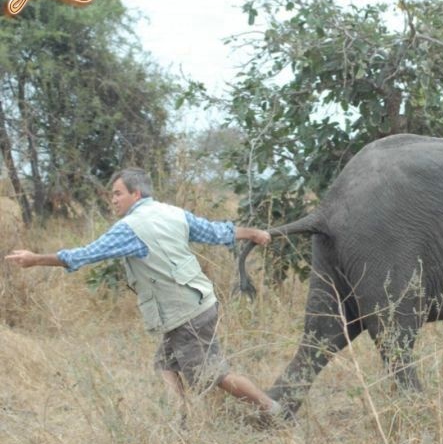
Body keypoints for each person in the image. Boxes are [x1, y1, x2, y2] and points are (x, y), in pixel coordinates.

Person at [4, 167, 281, 426]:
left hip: (185, 313)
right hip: (198, 303)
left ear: (136, 194)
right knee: (165, 362)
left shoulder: (130, 227)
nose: (113, 200)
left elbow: (84, 255)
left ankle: (272, 410)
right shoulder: (171, 212)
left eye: (117, 193)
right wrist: (252, 233)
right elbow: (215, 232)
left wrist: (36, 259)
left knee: (214, 375)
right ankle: (178, 421)